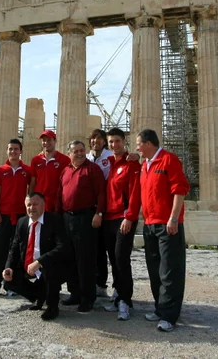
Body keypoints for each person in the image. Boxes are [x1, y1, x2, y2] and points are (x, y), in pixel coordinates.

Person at [136, 129, 190, 332]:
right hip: (150, 224)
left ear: (148, 143)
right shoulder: (145, 165)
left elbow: (180, 189)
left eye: (138, 143)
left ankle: (169, 316)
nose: (137, 147)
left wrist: (174, 218)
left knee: (170, 271)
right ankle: (160, 308)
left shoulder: (169, 159)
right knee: (155, 269)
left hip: (168, 224)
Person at [55, 140, 106, 313]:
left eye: (81, 150)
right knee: (70, 259)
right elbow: (60, 194)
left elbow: (101, 192)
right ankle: (74, 293)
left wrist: (99, 213)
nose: (79, 153)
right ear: (69, 154)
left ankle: (87, 298)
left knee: (86, 259)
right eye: (75, 151)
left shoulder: (92, 169)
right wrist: (58, 218)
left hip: (86, 217)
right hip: (67, 218)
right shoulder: (65, 171)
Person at [3, 192, 66, 321]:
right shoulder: (22, 222)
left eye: (35, 204)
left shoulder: (54, 220)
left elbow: (63, 247)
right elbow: (14, 248)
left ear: (43, 205)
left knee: (51, 270)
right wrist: (8, 267)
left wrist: (40, 261)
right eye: (29, 205)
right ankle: (39, 296)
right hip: (27, 264)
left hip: (47, 265)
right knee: (8, 280)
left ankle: (52, 307)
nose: (32, 208)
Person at [101, 128, 141, 320]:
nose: (114, 145)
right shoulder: (109, 163)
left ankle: (126, 301)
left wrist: (130, 216)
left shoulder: (131, 164)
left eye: (117, 141)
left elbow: (135, 192)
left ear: (124, 141)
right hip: (109, 218)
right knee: (114, 260)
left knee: (121, 259)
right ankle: (118, 296)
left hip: (123, 218)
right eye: (111, 142)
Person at [0, 139, 33, 298]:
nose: (13, 151)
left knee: (17, 253)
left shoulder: (27, 170)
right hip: (4, 216)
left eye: (16, 149)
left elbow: (30, 192)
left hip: (20, 216)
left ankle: (12, 286)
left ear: (20, 151)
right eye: (10, 149)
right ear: (7, 151)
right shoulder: (0, 170)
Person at [86, 128, 114, 299]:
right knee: (91, 248)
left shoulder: (110, 157)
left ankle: (102, 284)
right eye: (93, 138)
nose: (96, 141)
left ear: (104, 141)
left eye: (99, 139)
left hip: (107, 206)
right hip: (88, 207)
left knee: (104, 248)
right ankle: (90, 283)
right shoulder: (86, 157)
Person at [29, 130, 71, 213]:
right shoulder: (36, 160)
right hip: (39, 201)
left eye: (49, 140)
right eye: (44, 140)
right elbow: (33, 182)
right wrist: (30, 199)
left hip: (56, 203)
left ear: (55, 141)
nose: (46, 142)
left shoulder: (65, 160)